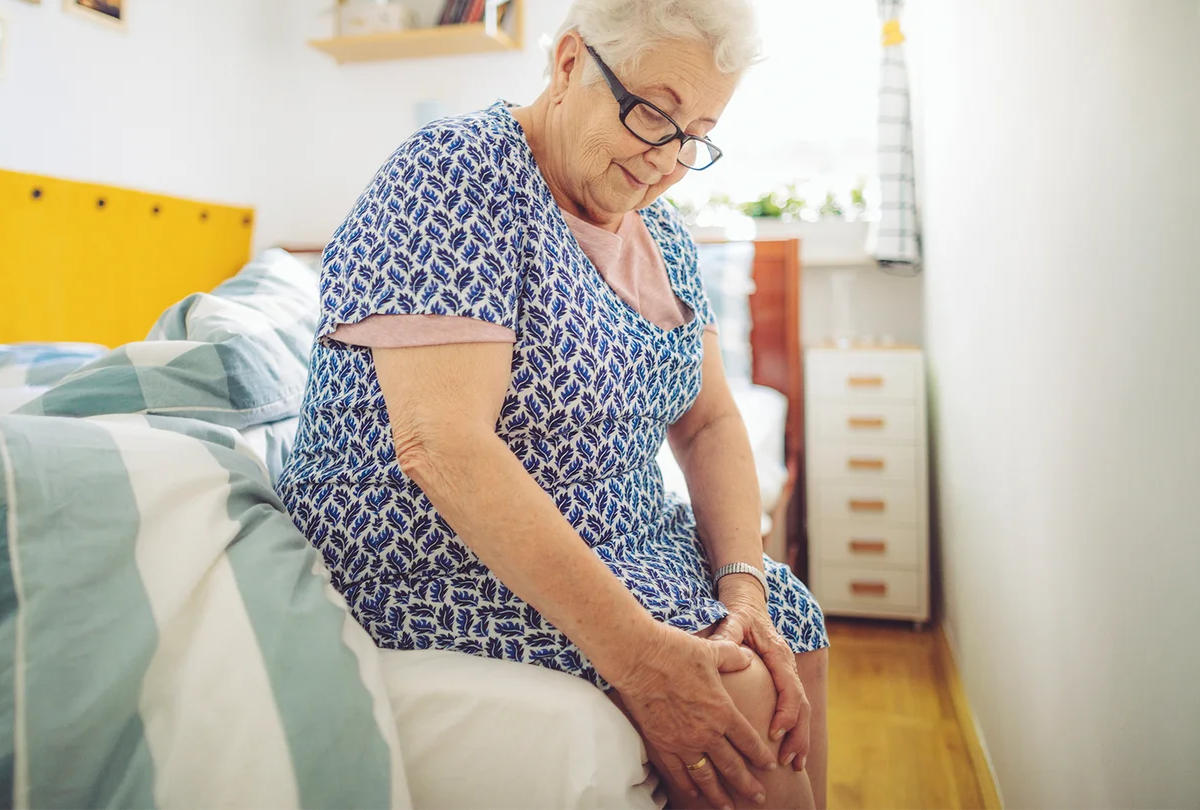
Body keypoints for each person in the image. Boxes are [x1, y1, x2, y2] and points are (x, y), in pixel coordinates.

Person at [277, 1, 830, 806]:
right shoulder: (456, 174)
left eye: (697, 135)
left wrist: (741, 583)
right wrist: (642, 657)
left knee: (788, 621)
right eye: (652, 114)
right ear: (570, 63)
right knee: (744, 694)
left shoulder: (664, 234)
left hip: (623, 539)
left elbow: (708, 421)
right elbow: (443, 447)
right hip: (435, 556)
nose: (666, 159)